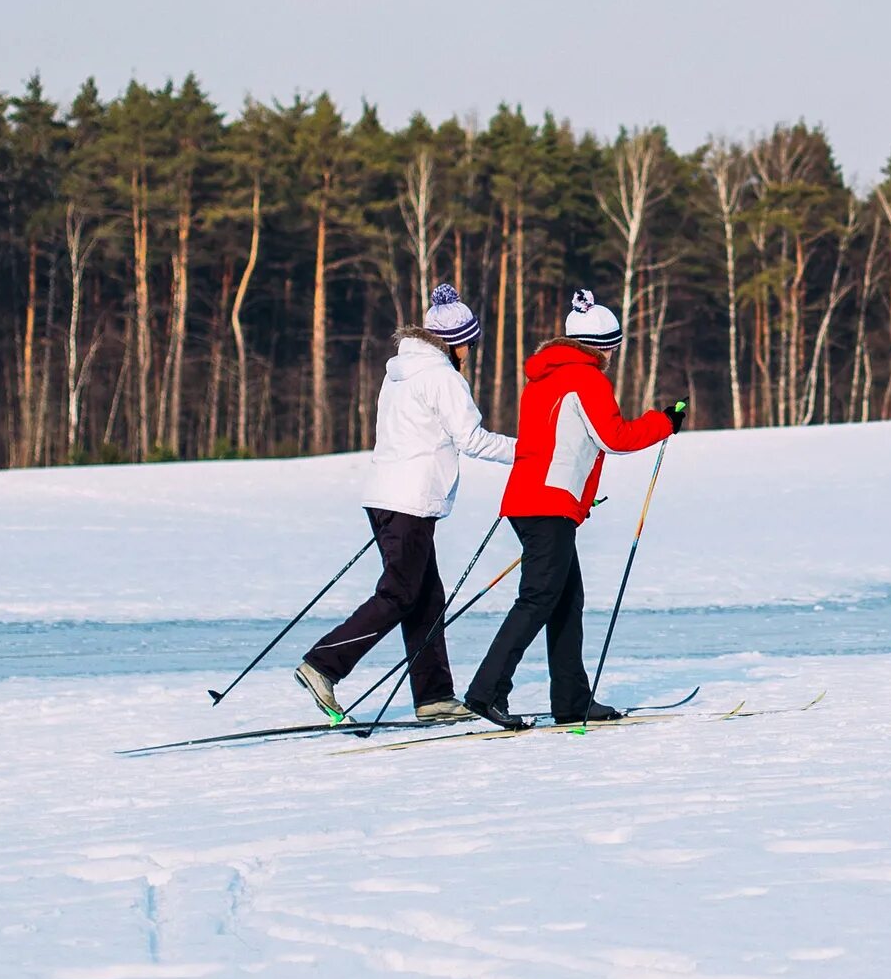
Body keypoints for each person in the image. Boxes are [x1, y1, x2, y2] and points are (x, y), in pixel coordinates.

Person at [464, 288, 686, 729]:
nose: (612, 357)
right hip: (548, 504)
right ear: (602, 347)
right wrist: (664, 422)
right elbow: (614, 437)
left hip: (534, 502)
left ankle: (571, 701)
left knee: (566, 602)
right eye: (612, 348)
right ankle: (486, 692)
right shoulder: (586, 378)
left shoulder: (544, 378)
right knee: (539, 599)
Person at [293, 283, 513, 724]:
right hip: (409, 501)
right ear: (455, 342)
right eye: (469, 343)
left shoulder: (400, 374)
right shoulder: (441, 378)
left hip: (389, 497)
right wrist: (533, 451)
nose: (470, 351)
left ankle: (433, 697)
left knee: (426, 599)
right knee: (400, 594)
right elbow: (472, 440)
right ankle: (323, 665)